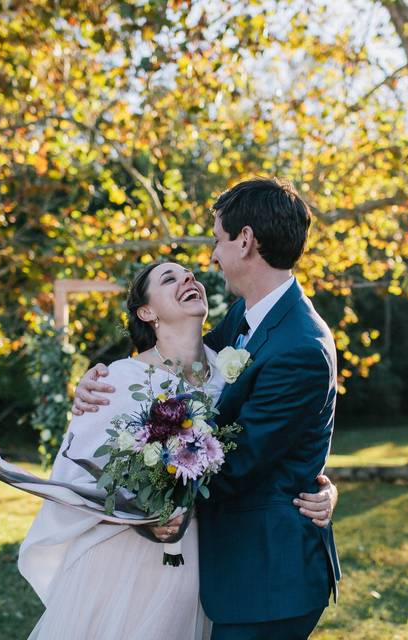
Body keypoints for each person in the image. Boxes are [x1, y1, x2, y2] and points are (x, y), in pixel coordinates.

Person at [73, 177, 341, 639]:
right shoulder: (248, 316)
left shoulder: (300, 345)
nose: (213, 256)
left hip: (268, 579)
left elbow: (236, 466)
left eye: (217, 239)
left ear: (245, 240)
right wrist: (101, 378)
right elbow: (182, 362)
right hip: (229, 565)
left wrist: (146, 503)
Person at [19, 256, 336, 640]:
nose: (189, 278)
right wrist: (142, 514)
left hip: (203, 562)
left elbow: (276, 431)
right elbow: (76, 481)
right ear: (147, 311)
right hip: (127, 562)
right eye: (169, 278)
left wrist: (322, 485)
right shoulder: (119, 380)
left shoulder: (228, 367)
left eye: (190, 275)